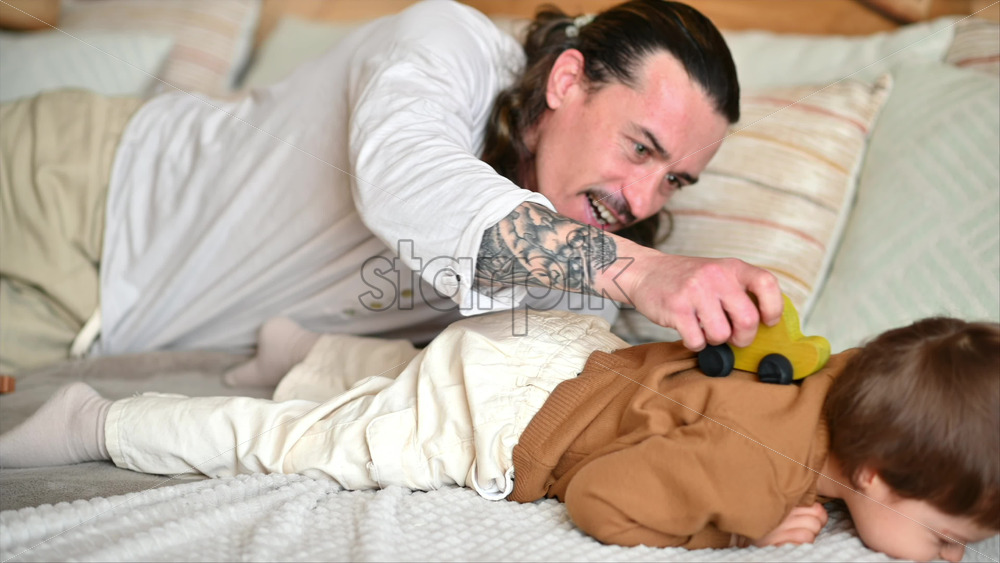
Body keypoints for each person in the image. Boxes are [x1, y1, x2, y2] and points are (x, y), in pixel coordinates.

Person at [0, 0, 782, 374]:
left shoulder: (581, 268)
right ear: (568, 81)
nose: (643, 201)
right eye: (640, 147)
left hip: (106, 326)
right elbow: (409, 182)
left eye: (674, 180)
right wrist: (641, 268)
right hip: (71, 187)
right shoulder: (448, 45)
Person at [1, 311, 997, 560]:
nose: (949, 557)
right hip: (508, 417)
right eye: (946, 540)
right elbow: (602, 497)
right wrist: (720, 533)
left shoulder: (830, 385)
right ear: (873, 468)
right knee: (314, 443)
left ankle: (301, 348)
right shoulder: (751, 477)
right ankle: (96, 416)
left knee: (399, 382)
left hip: (560, 349)